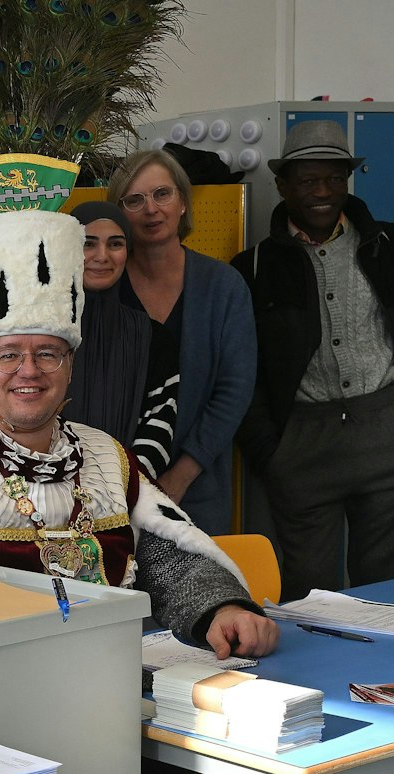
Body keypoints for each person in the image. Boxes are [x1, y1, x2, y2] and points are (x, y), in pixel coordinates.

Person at [0, 210, 278, 661]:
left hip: (106, 679)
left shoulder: (107, 457)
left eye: (48, 353)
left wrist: (221, 609)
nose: (29, 371)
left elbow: (167, 559)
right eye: (7, 354)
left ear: (71, 363)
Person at [231, 121, 394, 596]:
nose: (323, 192)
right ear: (282, 185)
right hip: (302, 445)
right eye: (308, 181)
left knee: (390, 597)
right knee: (308, 599)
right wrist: (270, 452)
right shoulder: (254, 267)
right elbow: (242, 371)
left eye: (335, 179)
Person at [109, 149, 256, 531]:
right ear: (119, 213)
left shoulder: (224, 287)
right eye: (134, 200)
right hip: (110, 491)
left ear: (183, 202)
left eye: (162, 194)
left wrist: (181, 476)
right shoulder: (103, 289)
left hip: (197, 490)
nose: (151, 209)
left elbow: (234, 390)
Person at [64, 201, 179, 478]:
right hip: (43, 493)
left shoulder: (153, 338)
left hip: (127, 494)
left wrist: (120, 487)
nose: (102, 256)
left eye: (115, 244)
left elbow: (159, 426)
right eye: (87, 244)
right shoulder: (38, 333)